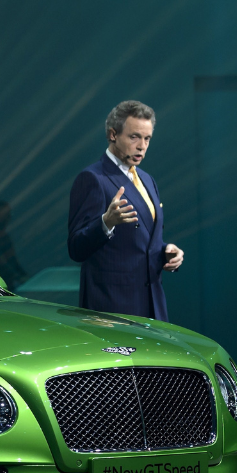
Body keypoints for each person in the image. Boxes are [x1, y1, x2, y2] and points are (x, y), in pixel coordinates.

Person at [67, 100, 183, 321]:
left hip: (152, 305)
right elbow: (76, 248)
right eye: (134, 137)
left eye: (147, 138)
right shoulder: (93, 179)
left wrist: (166, 251)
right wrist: (106, 222)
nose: (142, 146)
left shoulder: (148, 180)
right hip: (113, 309)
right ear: (113, 134)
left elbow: (141, 241)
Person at [0, 200, 28, 289]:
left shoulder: (6, 238)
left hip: (7, 287)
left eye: (8, 214)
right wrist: (19, 277)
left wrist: (27, 278)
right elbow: (1, 262)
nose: (8, 217)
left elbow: (13, 261)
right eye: (4, 214)